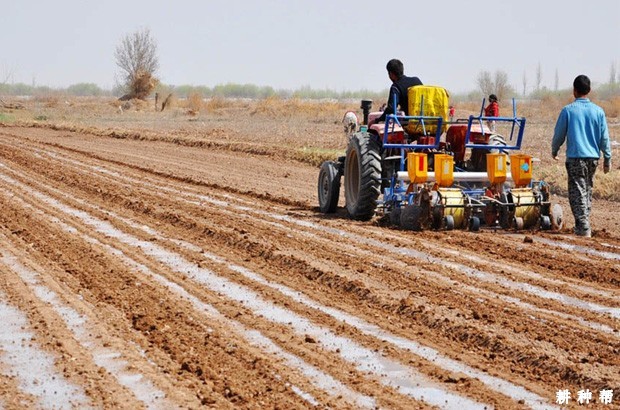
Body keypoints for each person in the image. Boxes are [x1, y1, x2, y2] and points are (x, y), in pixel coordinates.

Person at [552, 74, 611, 237]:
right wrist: (607, 158)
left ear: (574, 91)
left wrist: (554, 150)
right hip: (593, 158)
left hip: (576, 158)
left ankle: (583, 227)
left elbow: (559, 134)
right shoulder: (598, 111)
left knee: (577, 192)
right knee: (587, 189)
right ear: (589, 90)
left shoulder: (568, 111)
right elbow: (604, 137)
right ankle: (582, 223)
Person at [374, 59, 423, 123]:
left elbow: (391, 109)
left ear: (391, 74)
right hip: (423, 122)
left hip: (409, 123)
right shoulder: (416, 80)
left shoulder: (396, 86)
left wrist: (378, 120)